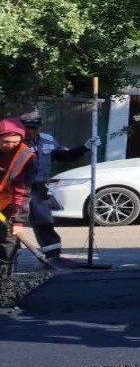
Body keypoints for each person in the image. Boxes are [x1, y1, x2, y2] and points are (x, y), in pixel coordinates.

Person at [19, 110, 92, 267]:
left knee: (44, 223)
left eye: (34, 127)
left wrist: (84, 147)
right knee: (11, 226)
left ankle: (53, 258)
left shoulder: (48, 140)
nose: (31, 131)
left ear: (40, 127)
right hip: (16, 190)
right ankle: (8, 260)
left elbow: (64, 156)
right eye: (27, 127)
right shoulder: (15, 140)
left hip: (39, 190)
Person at [0, 118, 37, 275]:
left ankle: (5, 274)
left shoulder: (25, 156)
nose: (10, 146)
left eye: (15, 142)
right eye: (6, 142)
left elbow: (22, 190)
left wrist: (18, 220)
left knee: (9, 239)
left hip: (8, 203)